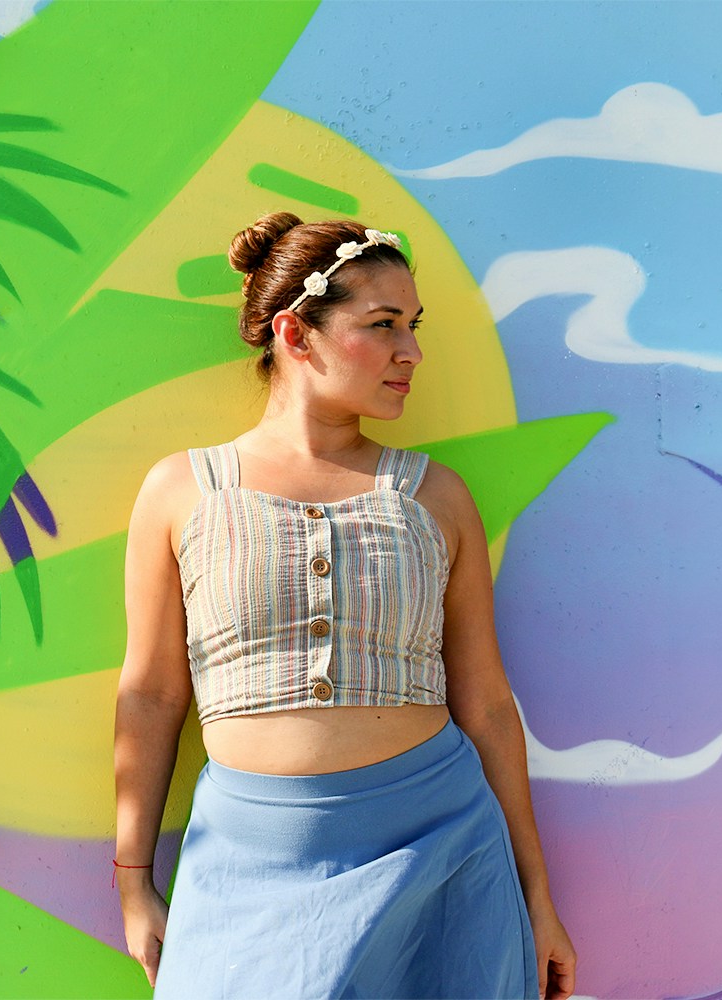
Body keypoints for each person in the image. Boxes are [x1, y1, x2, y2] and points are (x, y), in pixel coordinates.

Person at [113, 214, 577, 999]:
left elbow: (488, 704)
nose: (412, 352)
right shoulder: (181, 491)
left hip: (440, 859)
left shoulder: (436, 496)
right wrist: (133, 880)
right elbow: (152, 694)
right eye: (383, 325)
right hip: (246, 866)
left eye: (414, 326)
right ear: (297, 334)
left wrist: (538, 896)